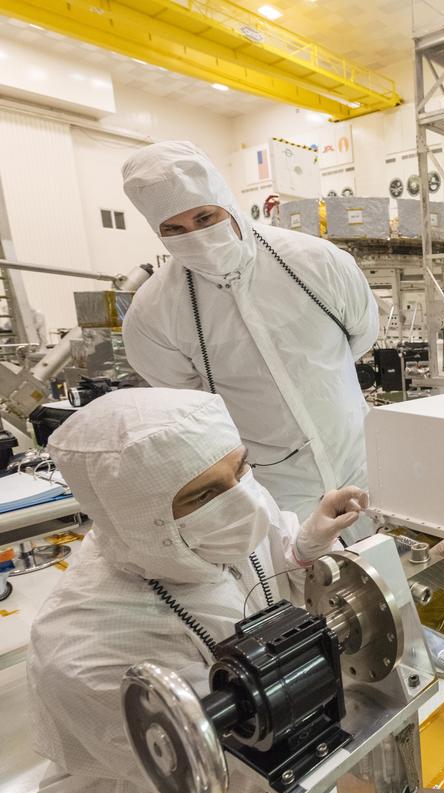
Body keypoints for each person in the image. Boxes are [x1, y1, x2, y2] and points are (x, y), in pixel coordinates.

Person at [27, 389, 444, 793]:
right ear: (137, 519)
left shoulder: (220, 521)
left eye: (240, 467)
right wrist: (390, 604)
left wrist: (307, 552)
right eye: (203, 494)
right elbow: (243, 762)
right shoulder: (84, 650)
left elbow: (269, 565)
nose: (240, 499)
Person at [120, 141, 378, 529]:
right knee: (298, 565)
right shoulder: (154, 312)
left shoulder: (319, 262)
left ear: (226, 201)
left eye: (205, 217)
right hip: (272, 490)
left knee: (385, 558)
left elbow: (360, 336)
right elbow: (189, 406)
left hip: (359, 461)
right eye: (174, 229)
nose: (195, 236)